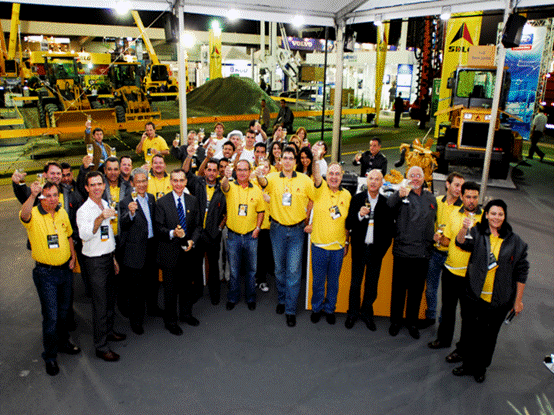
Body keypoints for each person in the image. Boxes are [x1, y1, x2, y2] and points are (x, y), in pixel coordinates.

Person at [452, 199, 528, 383]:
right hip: (474, 296)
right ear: (486, 215)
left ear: (505, 216)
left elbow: (521, 271)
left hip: (499, 300)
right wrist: (464, 228)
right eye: (493, 213)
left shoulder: (515, 241)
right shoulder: (477, 232)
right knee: (470, 332)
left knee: (489, 336)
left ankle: (481, 368)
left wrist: (518, 300)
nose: (496, 217)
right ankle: (468, 365)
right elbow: (461, 243)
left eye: (500, 214)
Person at [20, 181, 80, 376]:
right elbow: (24, 215)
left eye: (55, 195)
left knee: (64, 312)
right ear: (41, 197)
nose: (52, 199)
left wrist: (73, 257)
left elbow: (69, 235)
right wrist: (32, 195)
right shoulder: (34, 214)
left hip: (65, 271)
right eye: (48, 196)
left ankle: (63, 343)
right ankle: (50, 356)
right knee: (51, 317)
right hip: (46, 274)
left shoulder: (61, 213)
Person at [256, 146, 315, 327]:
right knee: (280, 269)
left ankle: (290, 309)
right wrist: (259, 174)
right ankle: (282, 299)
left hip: (297, 231)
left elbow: (315, 198)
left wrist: (308, 217)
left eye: (291, 158)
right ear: (280, 161)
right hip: (277, 230)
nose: (288, 161)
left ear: (295, 162)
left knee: (294, 271)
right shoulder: (273, 177)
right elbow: (263, 182)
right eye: (285, 158)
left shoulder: (305, 180)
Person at [428, 181, 482, 361]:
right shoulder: (453, 214)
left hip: (471, 276)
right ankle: (443, 339)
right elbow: (448, 241)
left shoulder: (485, 219)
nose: (471, 201)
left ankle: (462, 350)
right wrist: (438, 238)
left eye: (475, 197)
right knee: (448, 308)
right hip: (450, 270)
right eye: (468, 197)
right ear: (462, 197)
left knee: (468, 315)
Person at [76, 171, 126, 362]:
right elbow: (85, 235)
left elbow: (108, 233)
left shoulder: (105, 203)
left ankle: (109, 331)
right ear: (87, 188)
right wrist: (99, 217)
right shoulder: (84, 211)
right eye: (93, 185)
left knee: (110, 299)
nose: (97, 188)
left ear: (104, 185)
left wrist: (113, 258)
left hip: (107, 258)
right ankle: (101, 346)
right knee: (100, 305)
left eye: (99, 184)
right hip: (95, 262)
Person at [387, 166, 436, 339]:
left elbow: (435, 222)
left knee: (416, 292)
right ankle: (395, 322)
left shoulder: (431, 198)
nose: (415, 178)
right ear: (407, 178)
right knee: (398, 291)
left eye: (418, 175)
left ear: (424, 178)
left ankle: (412, 323)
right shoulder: (401, 194)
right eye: (412, 175)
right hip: (402, 252)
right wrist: (397, 195)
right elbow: (388, 207)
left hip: (422, 254)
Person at [344, 169, 394, 330]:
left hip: (376, 251)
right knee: (355, 284)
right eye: (371, 178)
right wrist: (359, 215)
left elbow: (389, 232)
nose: (373, 182)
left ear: (381, 183)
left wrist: (381, 251)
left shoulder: (386, 203)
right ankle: (352, 313)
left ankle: (367, 314)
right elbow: (348, 224)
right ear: (367, 181)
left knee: (371, 286)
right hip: (359, 249)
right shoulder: (357, 199)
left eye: (377, 179)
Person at [155, 169, 202, 336]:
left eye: (181, 180)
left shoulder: (193, 201)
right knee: (170, 290)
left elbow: (198, 226)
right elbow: (158, 228)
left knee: (186, 287)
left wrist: (192, 241)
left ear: (186, 182)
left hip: (187, 253)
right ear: (170, 182)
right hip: (169, 253)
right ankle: (171, 321)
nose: (178, 184)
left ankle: (186, 314)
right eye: (175, 180)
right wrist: (172, 233)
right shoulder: (162, 202)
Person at [307, 145, 351, 325]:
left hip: (338, 248)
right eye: (331, 173)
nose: (334, 177)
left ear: (341, 176)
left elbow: (347, 223)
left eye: (337, 174)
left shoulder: (347, 195)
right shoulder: (320, 189)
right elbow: (316, 175)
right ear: (327, 175)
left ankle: (330, 308)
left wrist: (346, 243)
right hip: (319, 246)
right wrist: (316, 159)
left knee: (333, 283)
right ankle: (317, 308)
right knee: (318, 282)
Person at [420, 172, 464, 329]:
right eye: (456, 185)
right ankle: (430, 316)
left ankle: (443, 321)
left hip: (452, 256)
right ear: (447, 184)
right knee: (431, 288)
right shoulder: (437, 201)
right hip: (435, 253)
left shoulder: (463, 208)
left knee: (448, 294)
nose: (459, 189)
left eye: (461, 186)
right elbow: (428, 221)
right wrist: (433, 235)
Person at [118, 167, 157, 335]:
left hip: (151, 247)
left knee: (152, 283)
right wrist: (131, 213)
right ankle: (136, 321)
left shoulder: (151, 198)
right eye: (138, 181)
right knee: (136, 290)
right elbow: (123, 223)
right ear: (133, 183)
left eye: (144, 181)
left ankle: (153, 308)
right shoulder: (126, 202)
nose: (141, 184)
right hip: (135, 252)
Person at [221, 160, 264, 310]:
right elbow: (223, 186)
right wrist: (226, 176)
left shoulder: (257, 190)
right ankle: (233, 298)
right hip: (233, 236)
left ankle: (251, 298)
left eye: (245, 170)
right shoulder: (230, 186)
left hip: (251, 236)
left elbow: (261, 211)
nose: (242, 173)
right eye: (239, 170)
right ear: (235, 171)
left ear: (250, 171)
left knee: (251, 271)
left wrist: (258, 228)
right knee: (234, 271)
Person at [185, 156, 227, 305]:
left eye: (214, 170)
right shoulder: (197, 183)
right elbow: (185, 171)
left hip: (213, 234)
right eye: (209, 169)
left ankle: (215, 294)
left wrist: (220, 227)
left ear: (218, 173)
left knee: (214, 266)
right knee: (196, 265)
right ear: (205, 171)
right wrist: (190, 155)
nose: (211, 173)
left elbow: (227, 211)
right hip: (197, 233)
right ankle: (197, 292)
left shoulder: (222, 188)